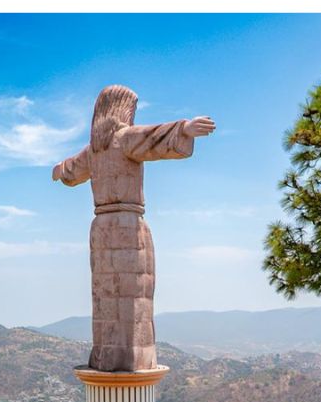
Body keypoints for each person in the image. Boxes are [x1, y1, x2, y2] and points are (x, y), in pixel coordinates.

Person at [52, 84, 214, 373]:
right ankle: (131, 358)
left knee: (104, 297)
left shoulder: (95, 150)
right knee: (133, 300)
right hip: (128, 225)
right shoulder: (123, 139)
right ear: (122, 111)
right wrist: (185, 129)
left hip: (100, 228)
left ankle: (106, 355)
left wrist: (60, 169)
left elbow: (71, 170)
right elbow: (153, 138)